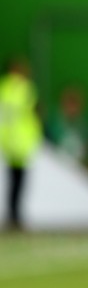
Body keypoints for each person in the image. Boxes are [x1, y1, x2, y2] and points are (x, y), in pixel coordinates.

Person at [0, 58, 42, 231]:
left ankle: (12, 215)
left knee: (11, 180)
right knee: (19, 181)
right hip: (22, 142)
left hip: (7, 141)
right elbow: (34, 111)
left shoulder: (3, 87)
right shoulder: (25, 88)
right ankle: (16, 217)